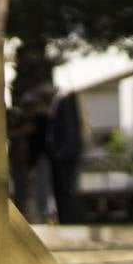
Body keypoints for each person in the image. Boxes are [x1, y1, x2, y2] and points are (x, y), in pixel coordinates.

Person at [44, 86, 86, 224]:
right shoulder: (64, 104)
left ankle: (70, 220)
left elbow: (68, 130)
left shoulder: (64, 103)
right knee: (65, 191)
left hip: (65, 157)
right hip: (64, 156)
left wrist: (60, 153)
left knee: (66, 191)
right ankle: (67, 219)